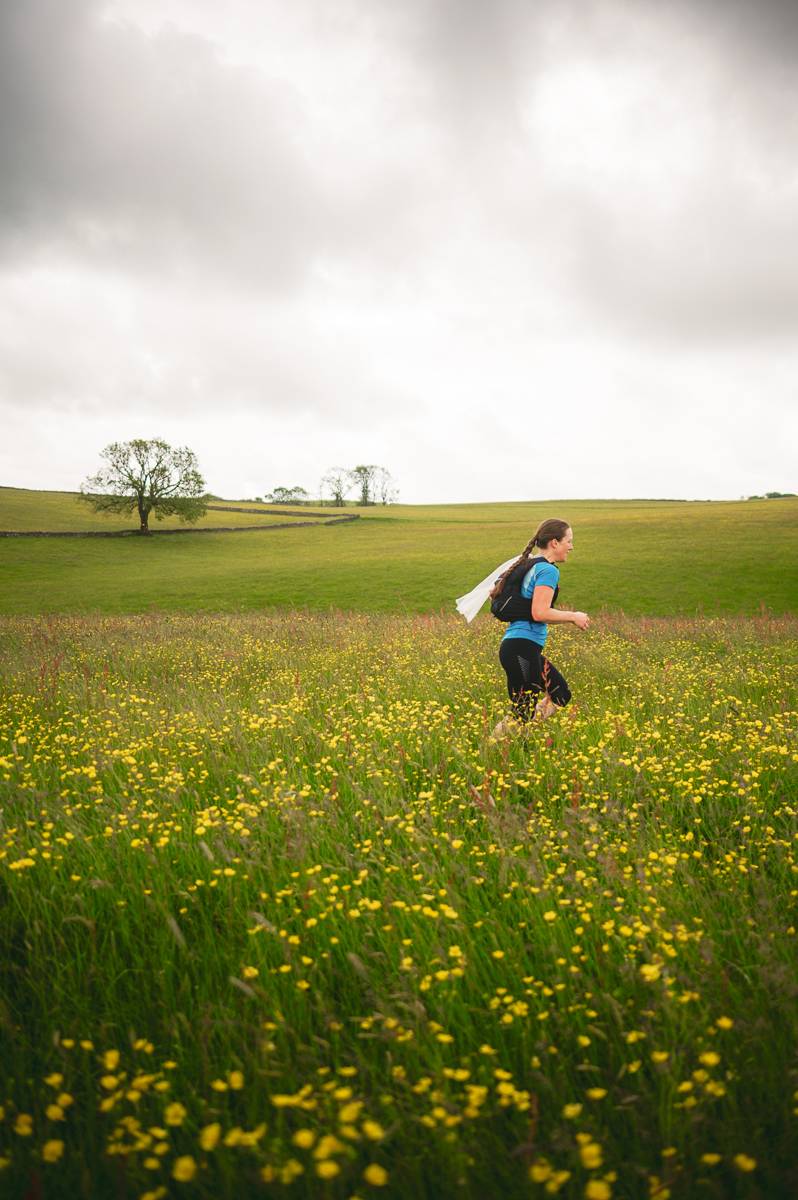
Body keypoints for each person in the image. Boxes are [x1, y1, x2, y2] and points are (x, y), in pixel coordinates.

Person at [490, 519, 590, 737]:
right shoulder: (547, 570)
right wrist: (573, 616)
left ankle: (520, 735)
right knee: (521, 712)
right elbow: (540, 612)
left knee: (560, 695)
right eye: (569, 541)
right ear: (554, 543)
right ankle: (497, 745)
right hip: (521, 649)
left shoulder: (530, 565)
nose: (571, 547)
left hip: (521, 648)